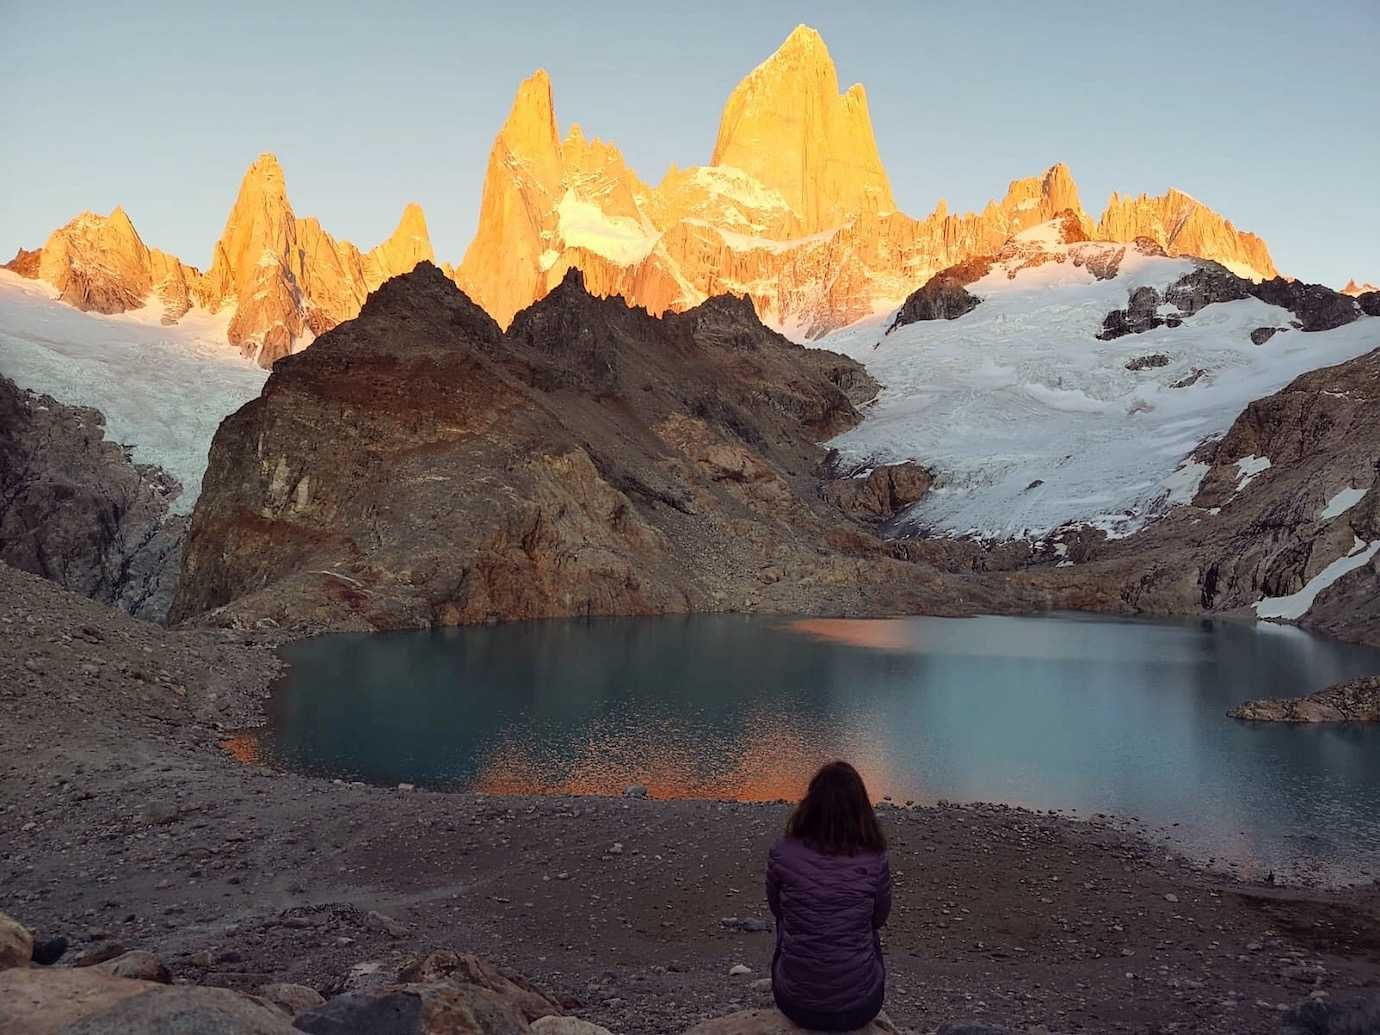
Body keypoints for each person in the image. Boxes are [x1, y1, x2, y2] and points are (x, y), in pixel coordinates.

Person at [766, 761, 891, 1031]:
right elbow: (879, 919)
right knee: (867, 926)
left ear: (811, 802)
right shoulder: (874, 857)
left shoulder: (783, 851)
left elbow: (777, 910)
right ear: (861, 805)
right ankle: (853, 983)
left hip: (795, 1005)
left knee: (787, 919)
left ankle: (804, 981)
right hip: (861, 1007)